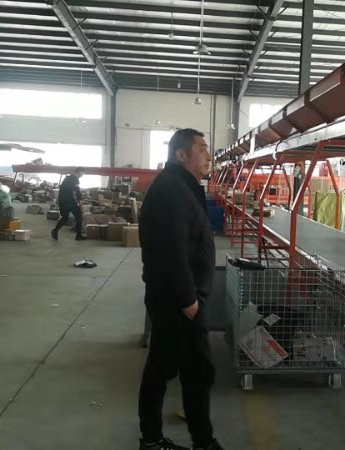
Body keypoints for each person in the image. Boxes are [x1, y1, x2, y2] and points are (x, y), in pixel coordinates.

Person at [138, 129, 223, 450]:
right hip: (178, 302)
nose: (208, 155)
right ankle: (185, 441)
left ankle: (186, 440)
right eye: (202, 149)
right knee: (176, 371)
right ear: (181, 155)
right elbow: (172, 249)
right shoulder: (173, 189)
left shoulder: (180, 186)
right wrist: (189, 300)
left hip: (177, 299)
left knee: (186, 371)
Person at [51, 167, 85, 241]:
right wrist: (80, 201)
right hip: (69, 201)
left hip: (62, 201)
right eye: (82, 173)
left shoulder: (67, 178)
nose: (82, 175)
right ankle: (78, 236)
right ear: (80, 172)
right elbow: (77, 191)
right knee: (79, 217)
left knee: (64, 218)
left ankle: (55, 230)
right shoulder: (75, 179)